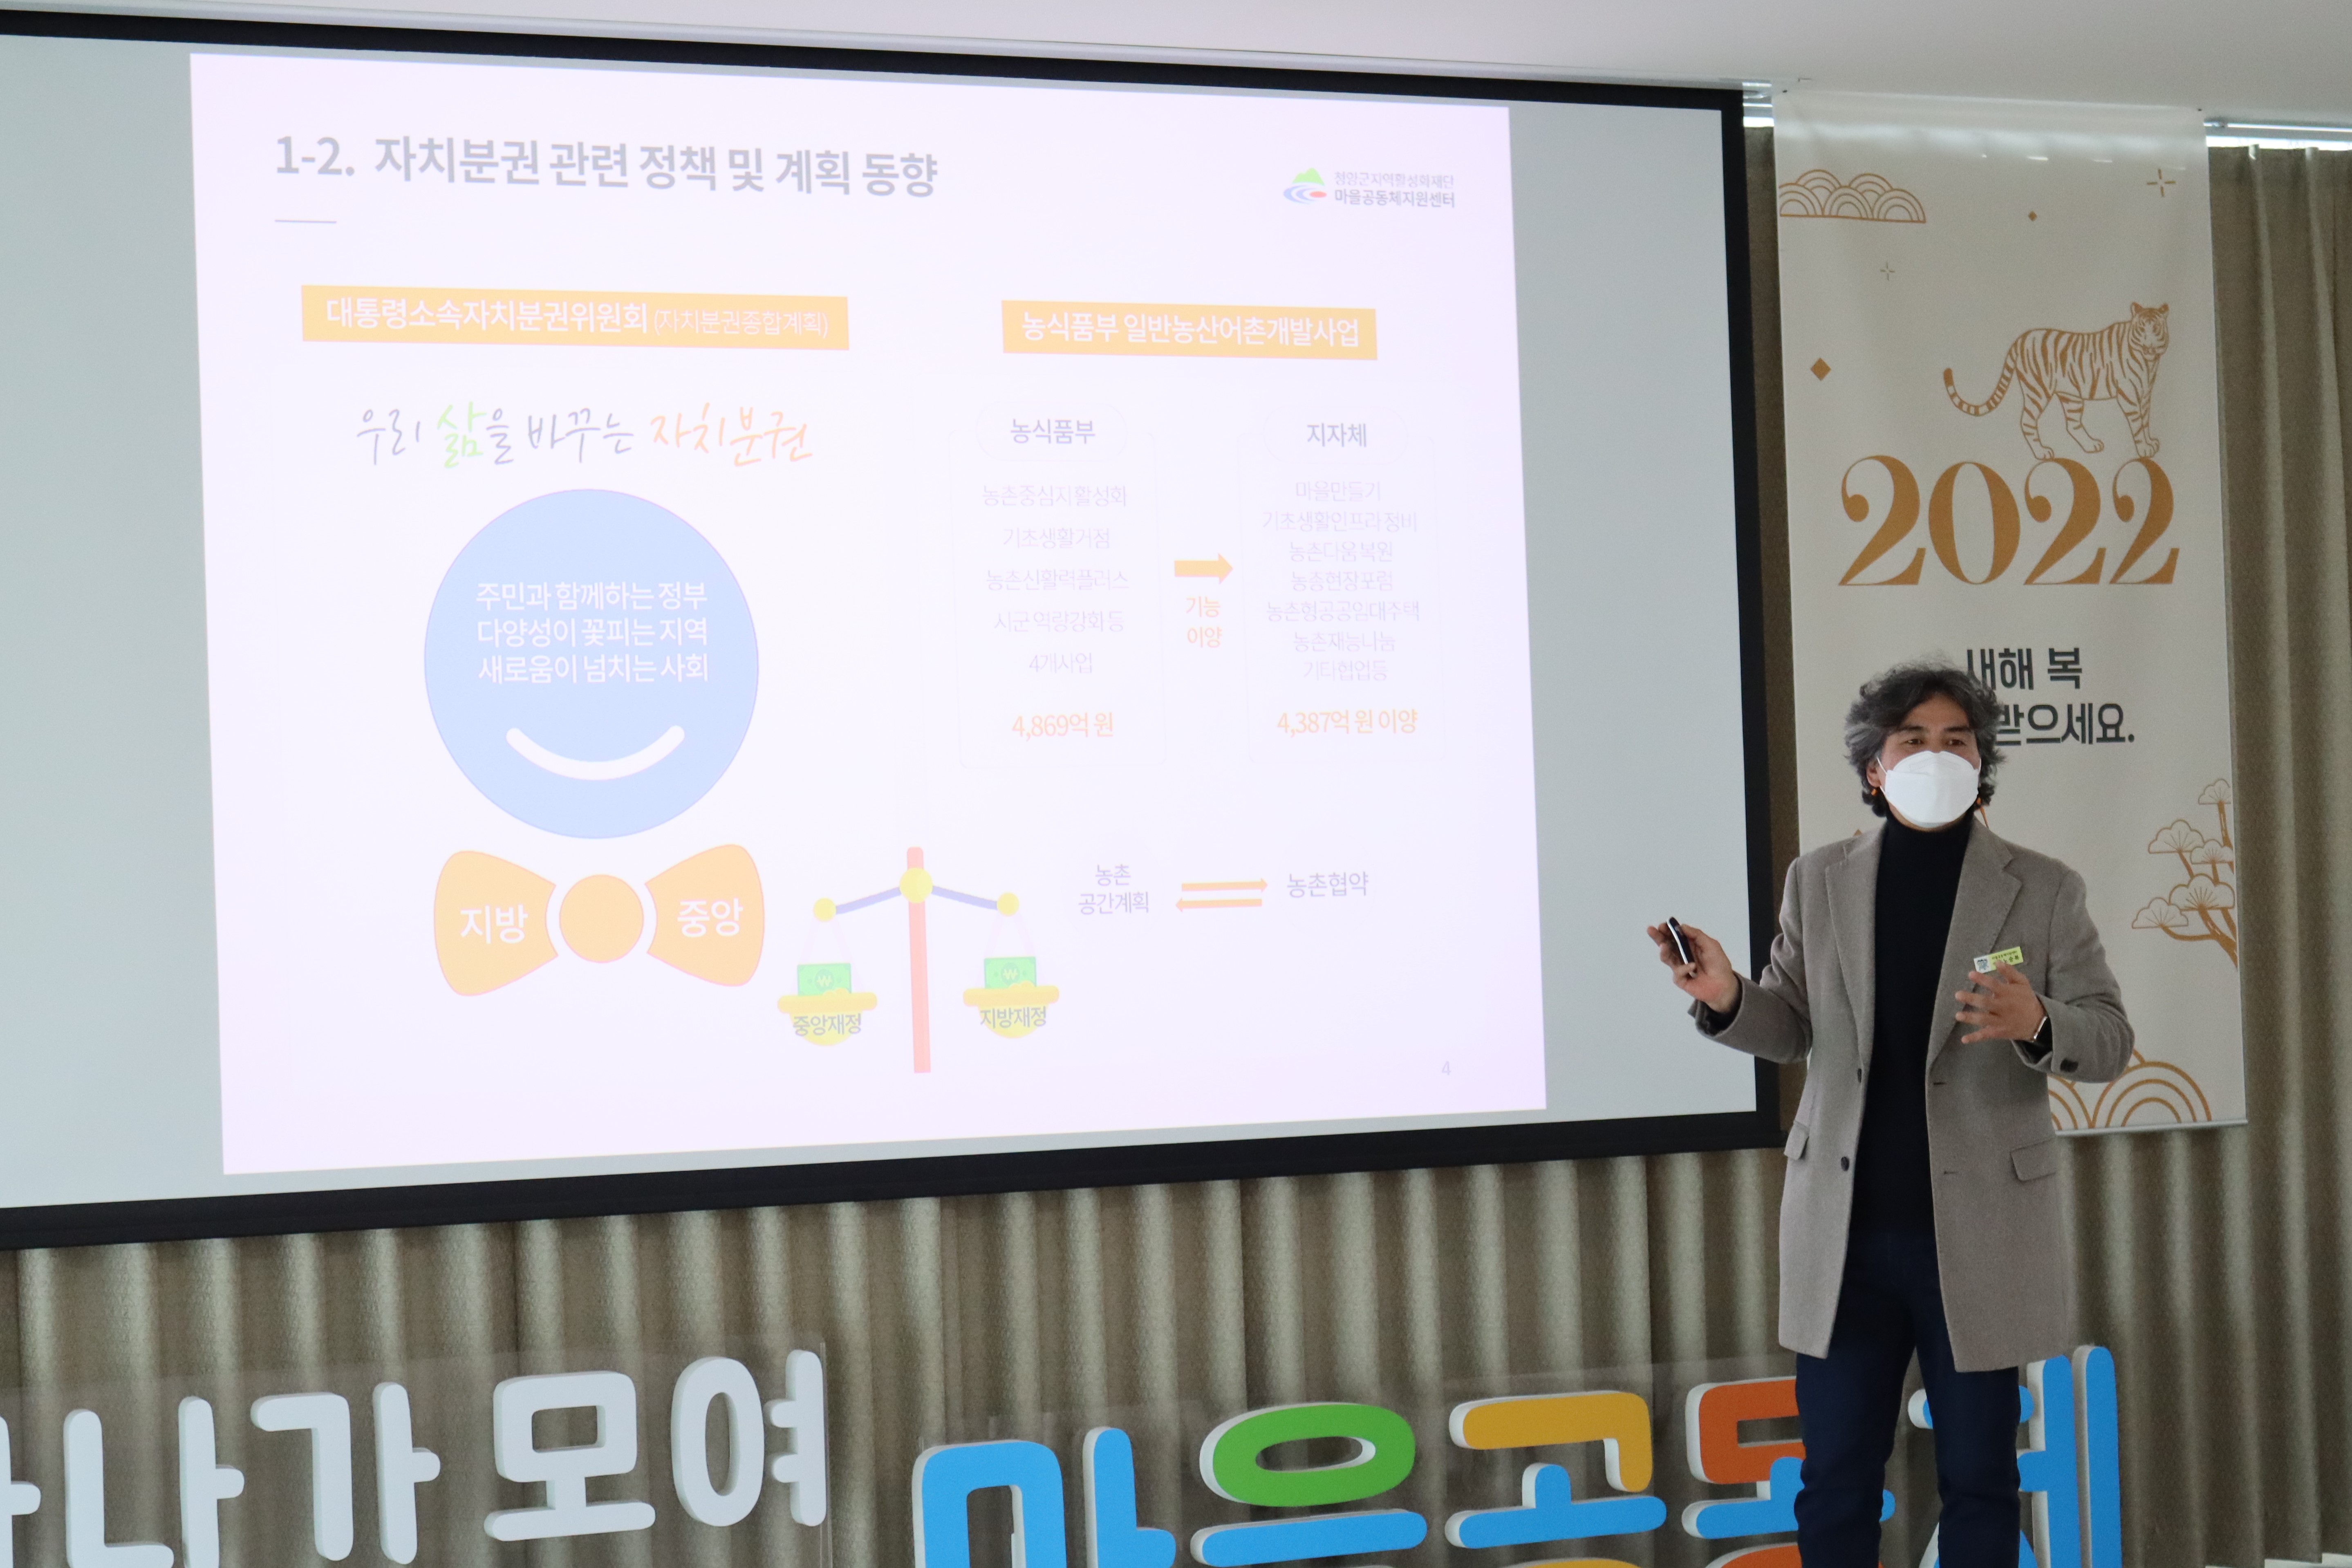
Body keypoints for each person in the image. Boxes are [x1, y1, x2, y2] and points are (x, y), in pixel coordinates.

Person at [1646, 661, 2131, 1568]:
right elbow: (1792, 1028)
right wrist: (1725, 995)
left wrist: (2038, 1022)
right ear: (1874, 768)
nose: (1937, 755)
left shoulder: (2043, 887)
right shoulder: (1819, 879)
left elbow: (2108, 1040)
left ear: (1981, 764)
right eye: (1913, 740)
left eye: (1957, 740)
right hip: (1846, 1236)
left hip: (1980, 1229)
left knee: (1981, 1478)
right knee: (1835, 1477)